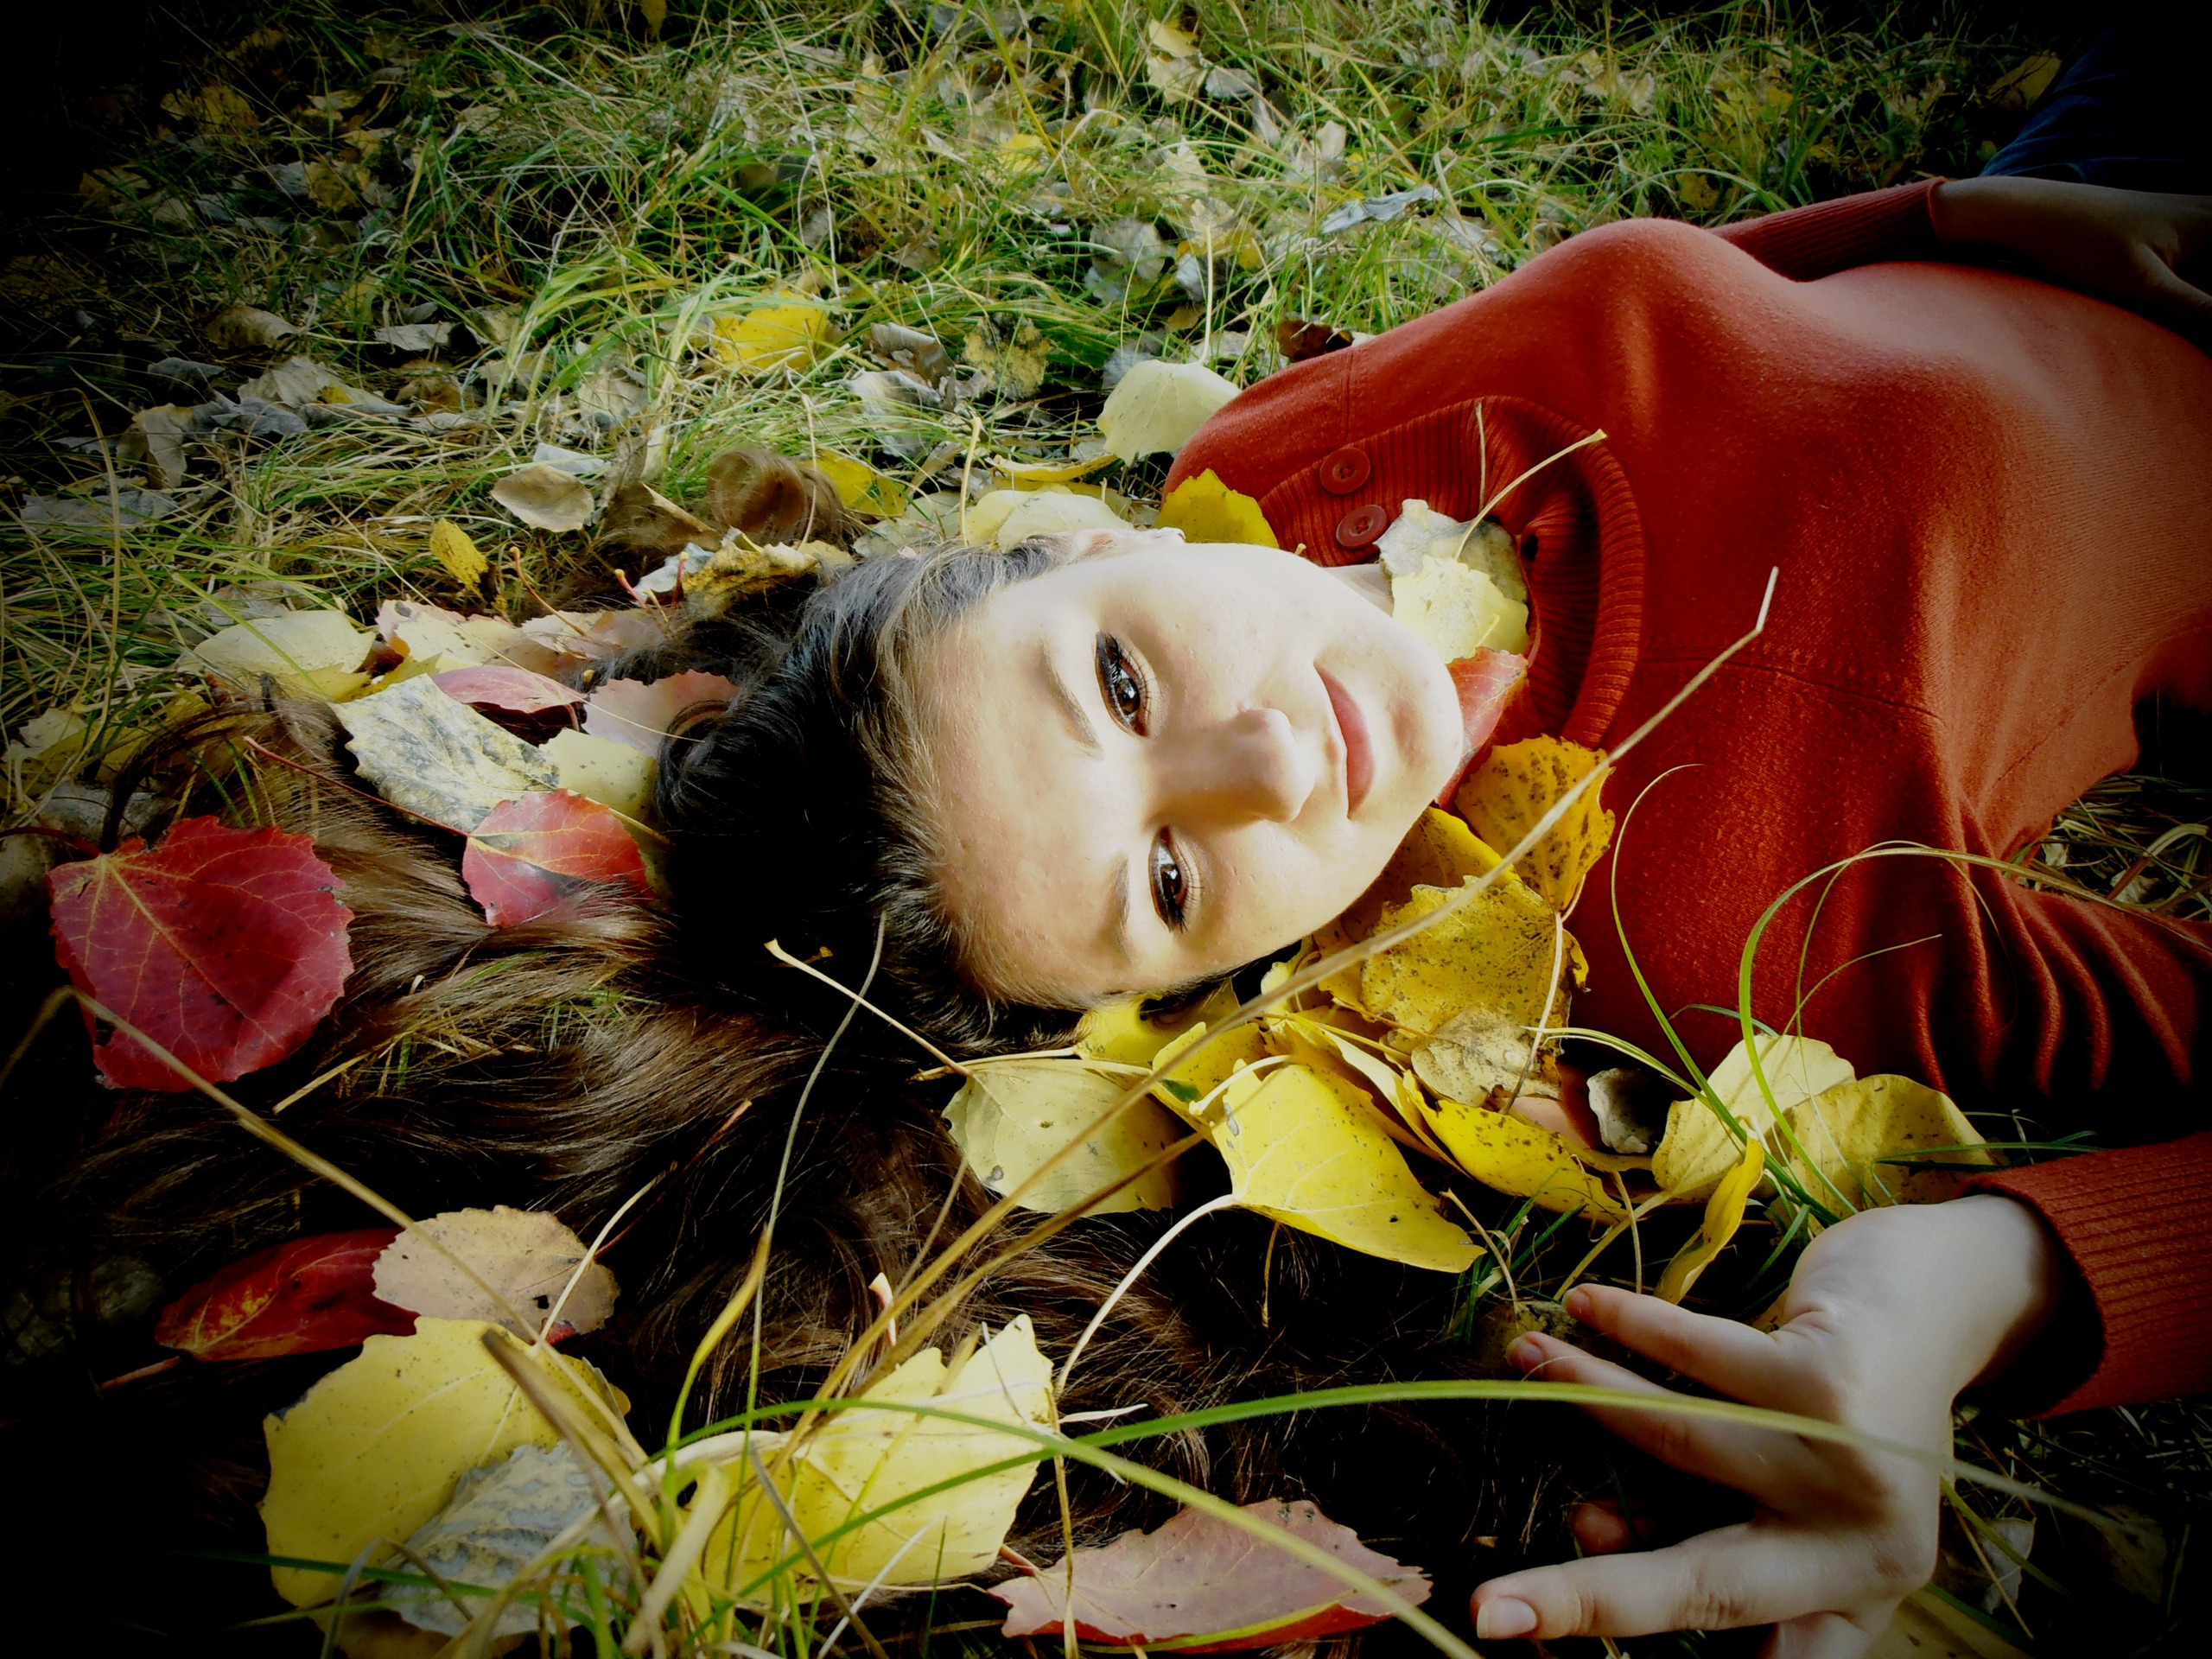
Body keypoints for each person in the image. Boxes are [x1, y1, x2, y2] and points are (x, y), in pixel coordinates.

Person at [658, 168, 2212, 1650]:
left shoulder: (1269, 458)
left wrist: (1957, 211)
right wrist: (1977, 1283)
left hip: (2087, 201)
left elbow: (1666, 304)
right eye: (1172, 879)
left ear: (1086, 549)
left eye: (1120, 682)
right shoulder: (1732, 916)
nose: (1272, 764)